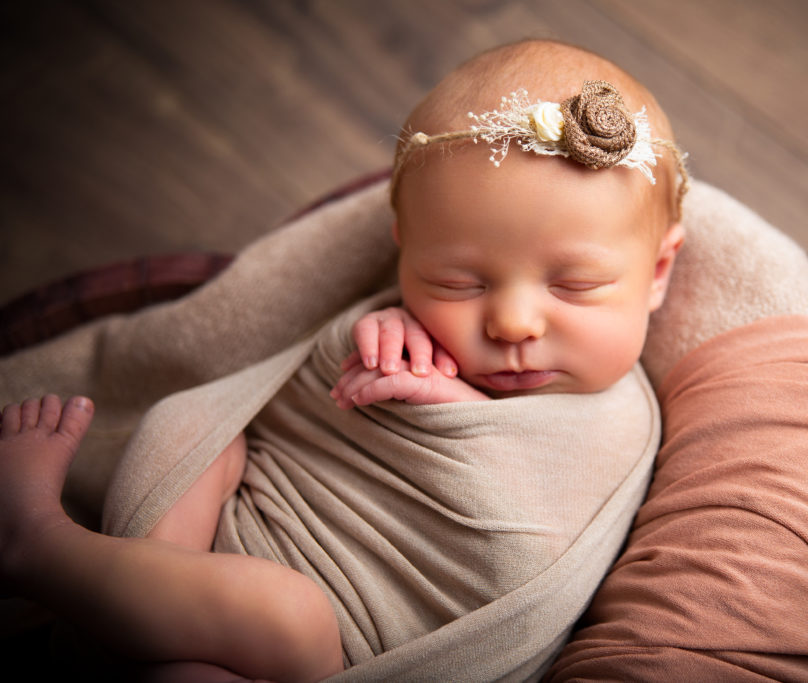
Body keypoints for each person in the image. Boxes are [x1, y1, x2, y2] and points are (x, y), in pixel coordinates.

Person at [0, 39, 687, 682]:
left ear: (657, 271)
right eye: (458, 282)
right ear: (403, 251)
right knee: (191, 429)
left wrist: (454, 409)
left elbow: (535, 529)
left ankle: (41, 542)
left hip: (331, 642)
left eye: (574, 286)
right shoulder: (402, 319)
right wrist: (371, 332)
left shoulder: (626, 420)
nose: (512, 322)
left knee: (289, 614)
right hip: (241, 526)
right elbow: (303, 406)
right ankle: (145, 599)